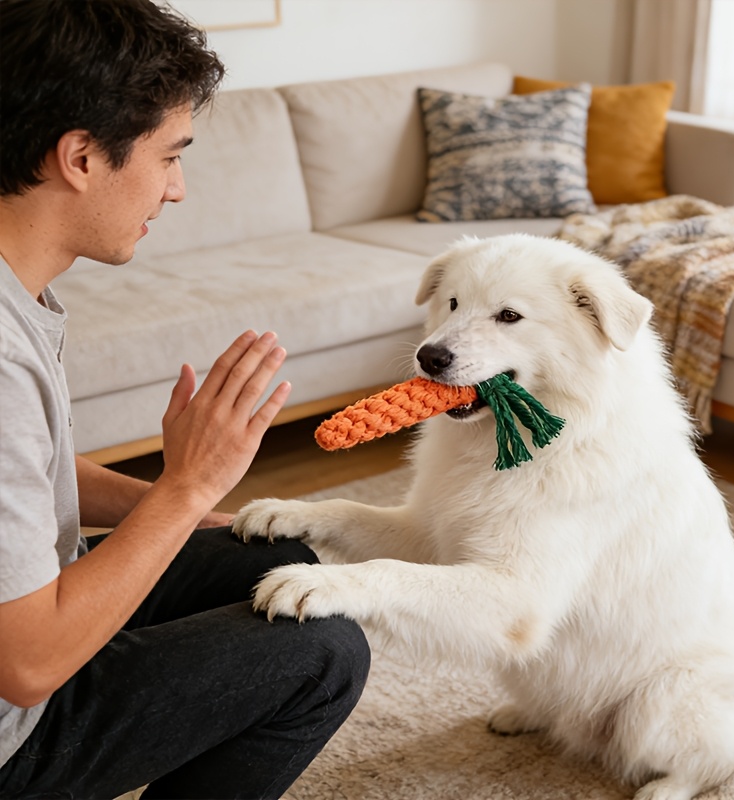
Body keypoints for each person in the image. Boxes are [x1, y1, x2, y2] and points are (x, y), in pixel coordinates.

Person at [0, 1, 370, 797]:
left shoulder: (16, 292)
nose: (177, 190)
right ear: (80, 157)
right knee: (327, 652)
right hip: (12, 726)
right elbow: (26, 667)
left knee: (272, 566)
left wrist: (176, 513)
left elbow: (26, 474)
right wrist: (186, 487)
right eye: (169, 156)